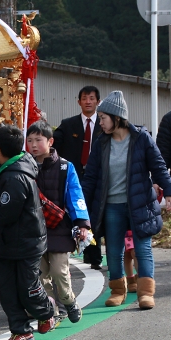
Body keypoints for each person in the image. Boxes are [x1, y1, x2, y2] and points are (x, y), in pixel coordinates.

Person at [81, 90, 171, 309]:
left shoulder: (141, 138)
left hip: (140, 203)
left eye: (103, 118)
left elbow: (158, 167)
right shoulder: (101, 143)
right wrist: (81, 207)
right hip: (111, 205)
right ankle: (117, 290)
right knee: (113, 249)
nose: (99, 122)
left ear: (116, 117)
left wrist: (168, 192)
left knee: (143, 248)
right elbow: (91, 177)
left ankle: (145, 293)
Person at [0, 125, 56, 340]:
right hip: (9, 243)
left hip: (27, 243)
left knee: (27, 287)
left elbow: (8, 212)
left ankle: (46, 311)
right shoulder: (8, 170)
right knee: (8, 290)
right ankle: (20, 330)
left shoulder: (15, 177)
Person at [26, 120, 91, 324]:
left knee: (58, 271)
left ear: (50, 141)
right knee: (41, 275)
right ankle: (51, 314)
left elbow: (75, 194)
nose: (33, 144)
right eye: (29, 140)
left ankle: (69, 301)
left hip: (59, 227)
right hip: (34, 229)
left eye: (38, 139)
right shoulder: (25, 167)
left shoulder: (65, 167)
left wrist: (81, 223)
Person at [53, 85, 103, 270]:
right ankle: (91, 255)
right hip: (75, 177)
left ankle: (95, 253)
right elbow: (53, 142)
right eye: (84, 98)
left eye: (91, 98)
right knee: (83, 213)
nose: (88, 101)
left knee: (97, 213)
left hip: (99, 177)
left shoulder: (104, 124)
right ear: (78, 101)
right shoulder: (68, 124)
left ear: (98, 101)